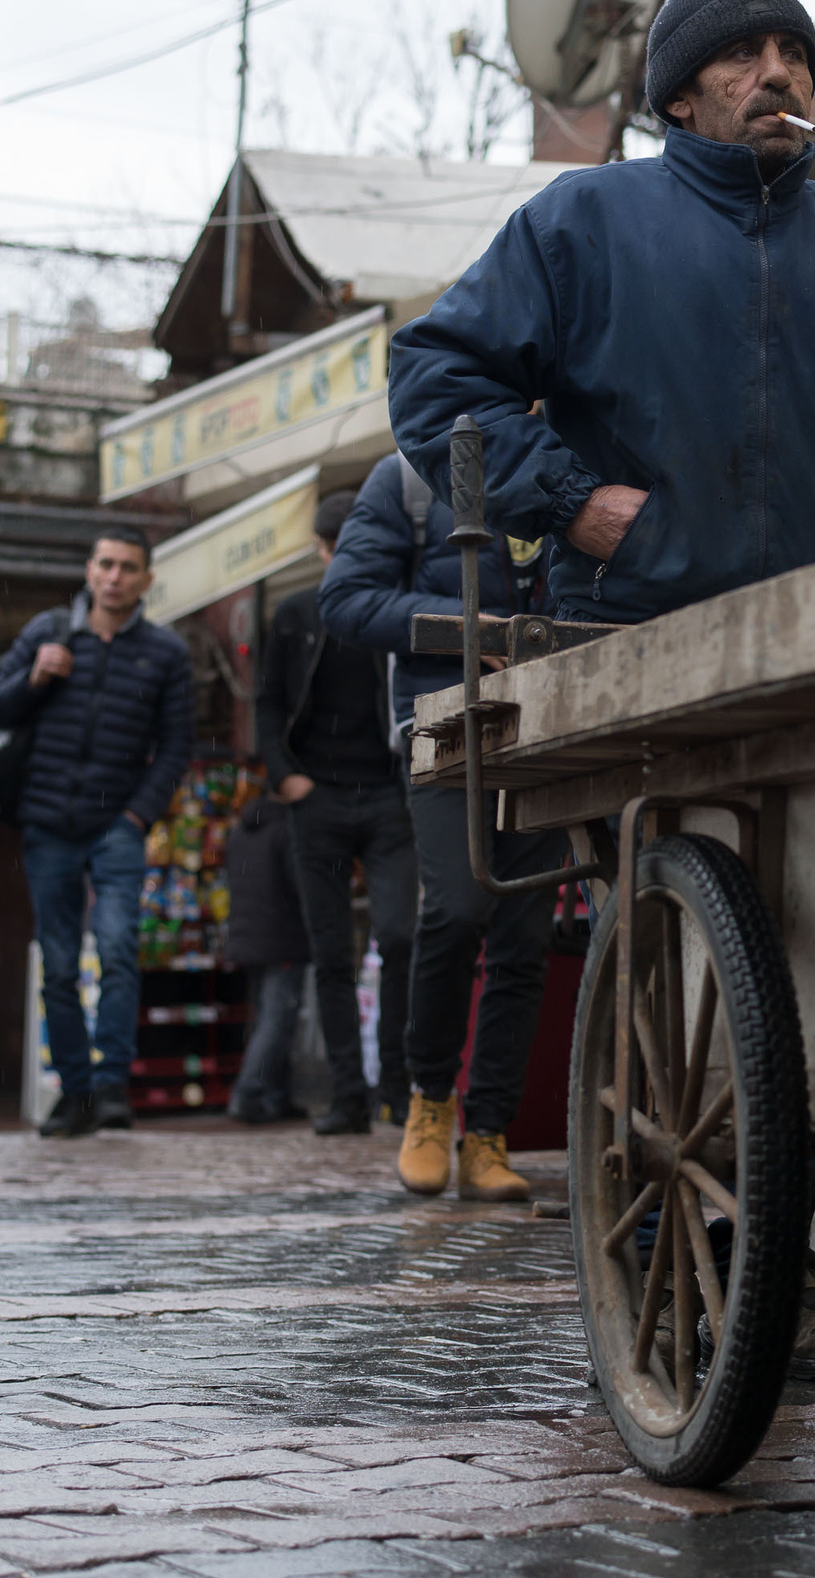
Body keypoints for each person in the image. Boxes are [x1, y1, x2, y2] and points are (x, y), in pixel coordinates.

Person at [383, 0, 815, 1381]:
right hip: (633, 656)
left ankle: (779, 1272)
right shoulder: (585, 222)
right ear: (677, 93)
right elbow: (434, 378)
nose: (779, 73)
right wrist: (574, 500)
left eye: (795, 52)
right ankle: (666, 1260)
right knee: (682, 962)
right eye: (743, 55)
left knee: (803, 977)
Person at [319, 458, 555, 1203]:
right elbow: (348, 600)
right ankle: (429, 1097)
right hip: (447, 724)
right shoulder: (409, 480)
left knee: (525, 940)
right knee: (455, 909)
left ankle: (488, 1130)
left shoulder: (579, 460)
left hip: (559, 720)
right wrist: (468, 628)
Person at [0, 528, 192, 1139]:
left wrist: (136, 817)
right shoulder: (48, 632)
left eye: (128, 567)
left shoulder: (165, 652)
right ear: (89, 568)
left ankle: (111, 1087)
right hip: (47, 824)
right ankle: (72, 1092)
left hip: (116, 825)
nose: (114, 576)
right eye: (105, 563)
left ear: (146, 580)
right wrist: (34, 679)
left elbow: (176, 745)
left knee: (120, 950)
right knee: (58, 963)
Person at [253, 492, 419, 1135]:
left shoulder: (392, 607)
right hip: (316, 796)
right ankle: (349, 1095)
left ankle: (399, 1089)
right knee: (330, 954)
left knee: (402, 937)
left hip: (388, 794)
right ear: (324, 550)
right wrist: (285, 775)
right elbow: (268, 701)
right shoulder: (297, 613)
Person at [223, 795, 313, 1124]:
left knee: (267, 1018)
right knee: (278, 1020)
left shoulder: (239, 832)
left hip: (248, 937)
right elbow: (299, 884)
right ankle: (248, 1092)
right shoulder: (285, 830)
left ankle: (277, 1096)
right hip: (281, 937)